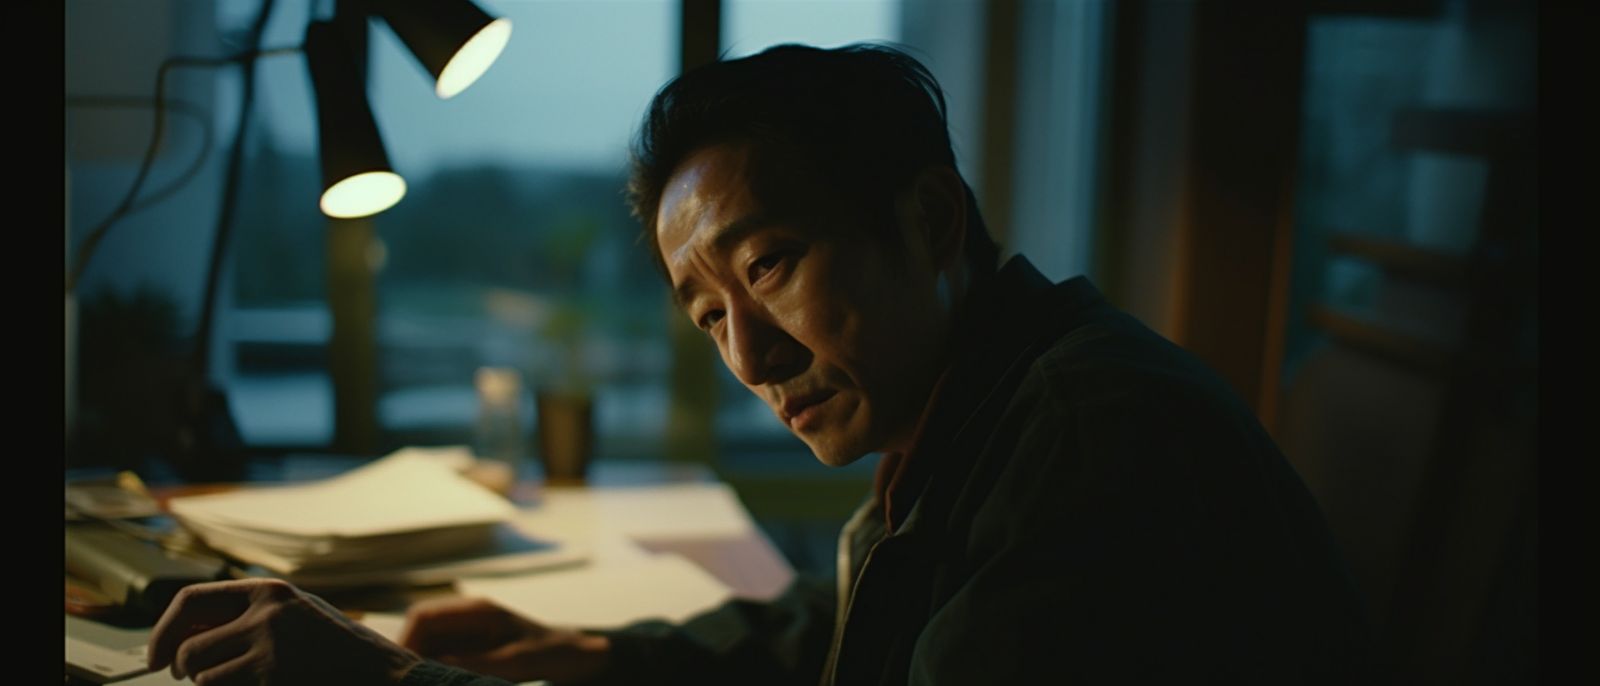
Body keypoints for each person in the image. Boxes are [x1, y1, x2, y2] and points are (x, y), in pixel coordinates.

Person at [145, 43, 1371, 685]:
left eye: (771, 264)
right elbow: (842, 622)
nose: (751, 353)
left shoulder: (1086, 440)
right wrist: (601, 655)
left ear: (930, 220)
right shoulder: (986, 404)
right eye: (704, 311)